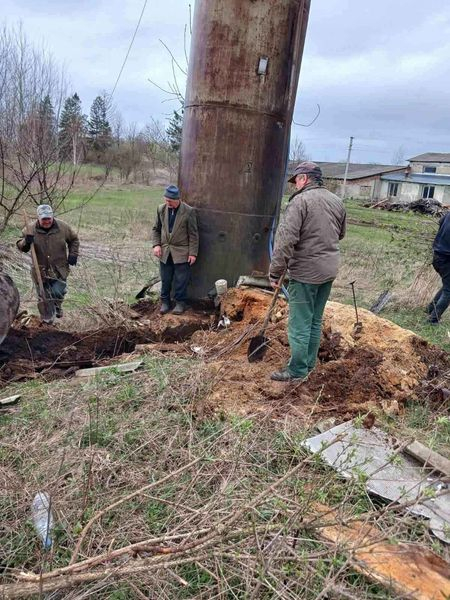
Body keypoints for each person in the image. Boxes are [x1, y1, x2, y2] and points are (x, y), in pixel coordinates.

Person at [269, 161, 346, 382]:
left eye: (296, 181)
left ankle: (297, 371)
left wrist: (275, 272)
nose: (295, 186)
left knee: (299, 323)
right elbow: (340, 234)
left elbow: (285, 241)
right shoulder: (337, 201)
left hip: (306, 272)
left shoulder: (300, 202)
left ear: (304, 179)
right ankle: (309, 364)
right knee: (314, 320)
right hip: (329, 269)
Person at [17, 204, 79, 322]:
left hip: (59, 269)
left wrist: (73, 254)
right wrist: (26, 241)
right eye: (43, 219)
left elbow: (74, 240)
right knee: (43, 297)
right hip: (40, 271)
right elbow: (20, 246)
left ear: (52, 217)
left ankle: (57, 307)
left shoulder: (63, 227)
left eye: (48, 219)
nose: (46, 221)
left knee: (56, 292)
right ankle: (48, 322)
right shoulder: (29, 229)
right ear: (38, 218)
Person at [152, 185, 199, 314]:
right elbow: (156, 229)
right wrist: (156, 245)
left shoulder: (188, 211)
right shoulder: (161, 209)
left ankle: (180, 303)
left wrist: (193, 253)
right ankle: (165, 302)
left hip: (182, 252)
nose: (168, 203)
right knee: (165, 278)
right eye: (166, 200)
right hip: (165, 251)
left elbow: (194, 234)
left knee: (181, 279)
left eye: (170, 201)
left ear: (178, 199)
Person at [426, 211, 450, 324]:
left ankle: (431, 309)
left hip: (437, 255)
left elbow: (441, 224)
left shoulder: (448, 214)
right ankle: (433, 320)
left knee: (447, 285)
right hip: (446, 259)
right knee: (449, 290)